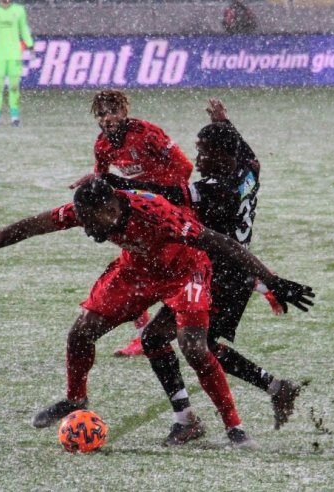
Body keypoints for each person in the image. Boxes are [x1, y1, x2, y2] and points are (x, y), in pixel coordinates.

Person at [0, 177, 314, 447]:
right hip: (138, 270)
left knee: (194, 346)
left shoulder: (157, 213)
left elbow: (219, 242)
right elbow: (32, 226)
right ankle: (77, 400)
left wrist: (272, 280)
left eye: (92, 223)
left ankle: (235, 429)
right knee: (81, 332)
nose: (86, 229)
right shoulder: (89, 207)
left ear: (111, 208)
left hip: (186, 271)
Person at [101, 98, 300, 445]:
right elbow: (242, 148)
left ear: (223, 156)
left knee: (184, 343)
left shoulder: (214, 189)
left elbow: (162, 192)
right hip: (232, 272)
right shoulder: (249, 169)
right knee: (184, 342)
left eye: (205, 152)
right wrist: (226, 122)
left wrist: (112, 185)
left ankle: (201, 420)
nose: (199, 159)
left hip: (222, 275)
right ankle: (269, 389)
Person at [73, 89, 195, 357]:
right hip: (142, 212)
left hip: (170, 210)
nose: (108, 118)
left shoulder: (146, 133)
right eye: (102, 113)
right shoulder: (102, 145)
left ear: (124, 112)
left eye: (113, 111)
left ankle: (188, 324)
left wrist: (150, 192)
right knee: (132, 268)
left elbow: (185, 169)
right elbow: (103, 179)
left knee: (174, 267)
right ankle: (144, 335)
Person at [0, 0, 34, 128]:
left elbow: (23, 28)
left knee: (14, 87)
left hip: (14, 54)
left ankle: (15, 117)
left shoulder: (19, 10)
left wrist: (30, 45)